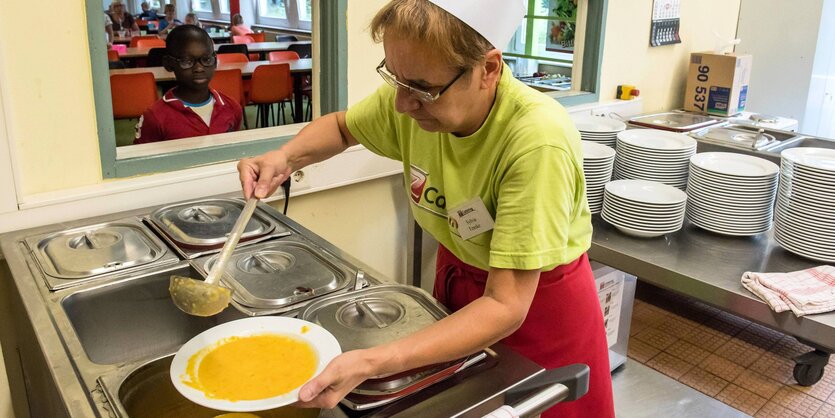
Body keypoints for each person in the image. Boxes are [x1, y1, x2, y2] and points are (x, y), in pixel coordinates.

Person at [235, 1, 614, 417]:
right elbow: (343, 128)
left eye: (422, 89)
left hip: (539, 312)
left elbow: (506, 305)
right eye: (395, 78)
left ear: (488, 69)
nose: (401, 104)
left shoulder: (536, 142)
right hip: (463, 287)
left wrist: (375, 360)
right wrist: (286, 157)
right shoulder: (415, 100)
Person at [134, 25, 242, 144]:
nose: (199, 68)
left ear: (215, 61)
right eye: (187, 61)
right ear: (169, 64)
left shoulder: (232, 107)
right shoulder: (155, 117)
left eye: (206, 59)